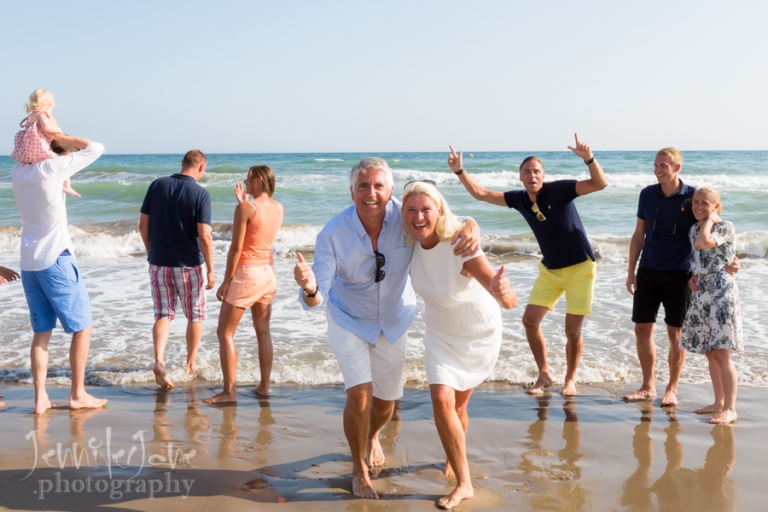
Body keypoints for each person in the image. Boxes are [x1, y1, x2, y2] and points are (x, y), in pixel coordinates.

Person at [293, 157, 480, 500]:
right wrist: (308, 288)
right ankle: (359, 470)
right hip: (348, 319)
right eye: (363, 186)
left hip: (394, 319)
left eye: (378, 186)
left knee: (384, 406)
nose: (371, 193)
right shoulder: (333, 234)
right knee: (360, 395)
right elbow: (315, 297)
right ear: (352, 192)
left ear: (390, 191)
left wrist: (472, 226)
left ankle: (372, 435)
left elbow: (441, 216)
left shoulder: (406, 216)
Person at [449, 134, 608, 395]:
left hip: (581, 268)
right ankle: (544, 374)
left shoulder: (560, 190)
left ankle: (570, 379)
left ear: (543, 176)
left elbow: (600, 183)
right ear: (521, 178)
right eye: (527, 172)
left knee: (572, 330)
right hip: (550, 270)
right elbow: (481, 194)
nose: (532, 176)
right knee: (530, 321)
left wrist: (589, 158)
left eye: (536, 171)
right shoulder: (520, 199)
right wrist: (460, 171)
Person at [402, 181, 516, 509]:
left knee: (460, 407)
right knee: (441, 399)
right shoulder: (407, 243)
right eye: (411, 210)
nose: (419, 216)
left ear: (439, 211)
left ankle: (455, 458)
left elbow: (504, 297)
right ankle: (465, 482)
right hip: (440, 334)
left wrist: (503, 289)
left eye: (426, 209)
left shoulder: (459, 245)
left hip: (476, 333)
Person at [624, 148, 738, 406]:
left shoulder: (693, 197)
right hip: (649, 271)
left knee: (675, 334)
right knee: (642, 329)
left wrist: (732, 259)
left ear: (677, 168)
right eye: (655, 165)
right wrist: (631, 271)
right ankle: (647, 386)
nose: (657, 170)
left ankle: (672, 389)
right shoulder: (646, 194)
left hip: (681, 275)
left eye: (663, 165)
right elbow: (638, 235)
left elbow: (714, 230)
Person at [11, 134, 108, 414]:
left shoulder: (18, 172)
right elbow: (96, 147)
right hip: (55, 260)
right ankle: (77, 394)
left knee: (41, 333)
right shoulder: (50, 169)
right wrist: (57, 133)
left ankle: (40, 398)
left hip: (29, 263)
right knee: (83, 327)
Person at [203, 165, 284, 403]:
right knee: (263, 332)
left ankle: (229, 392)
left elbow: (237, 247)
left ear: (258, 179)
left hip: (247, 275)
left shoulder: (246, 208)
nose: (245, 183)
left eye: (248, 179)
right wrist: (244, 203)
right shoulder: (279, 207)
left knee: (225, 333)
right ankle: (264, 387)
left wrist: (226, 281)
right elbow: (259, 230)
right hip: (268, 274)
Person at [139, 150, 215, 389]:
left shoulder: (157, 186)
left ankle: (159, 360)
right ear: (201, 167)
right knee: (194, 315)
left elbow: (143, 225)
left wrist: (151, 252)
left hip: (159, 263)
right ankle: (190, 364)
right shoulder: (201, 194)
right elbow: (204, 235)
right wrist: (211, 268)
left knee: (163, 314)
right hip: (188, 266)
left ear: (182, 164)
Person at [680, 187, 742, 424]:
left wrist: (711, 220)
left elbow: (704, 243)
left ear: (716, 207)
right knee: (710, 352)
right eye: (695, 202)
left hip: (721, 291)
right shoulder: (693, 228)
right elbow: (696, 257)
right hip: (701, 292)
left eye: (705, 203)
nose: (698, 207)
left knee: (722, 352)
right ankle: (718, 402)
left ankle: (730, 408)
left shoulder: (725, 226)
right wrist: (690, 275)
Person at [11, 89, 79, 198]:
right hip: (40, 150)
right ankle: (66, 186)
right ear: (46, 105)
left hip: (28, 154)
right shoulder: (41, 114)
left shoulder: (30, 117)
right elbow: (46, 127)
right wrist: (58, 129)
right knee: (64, 158)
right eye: (51, 107)